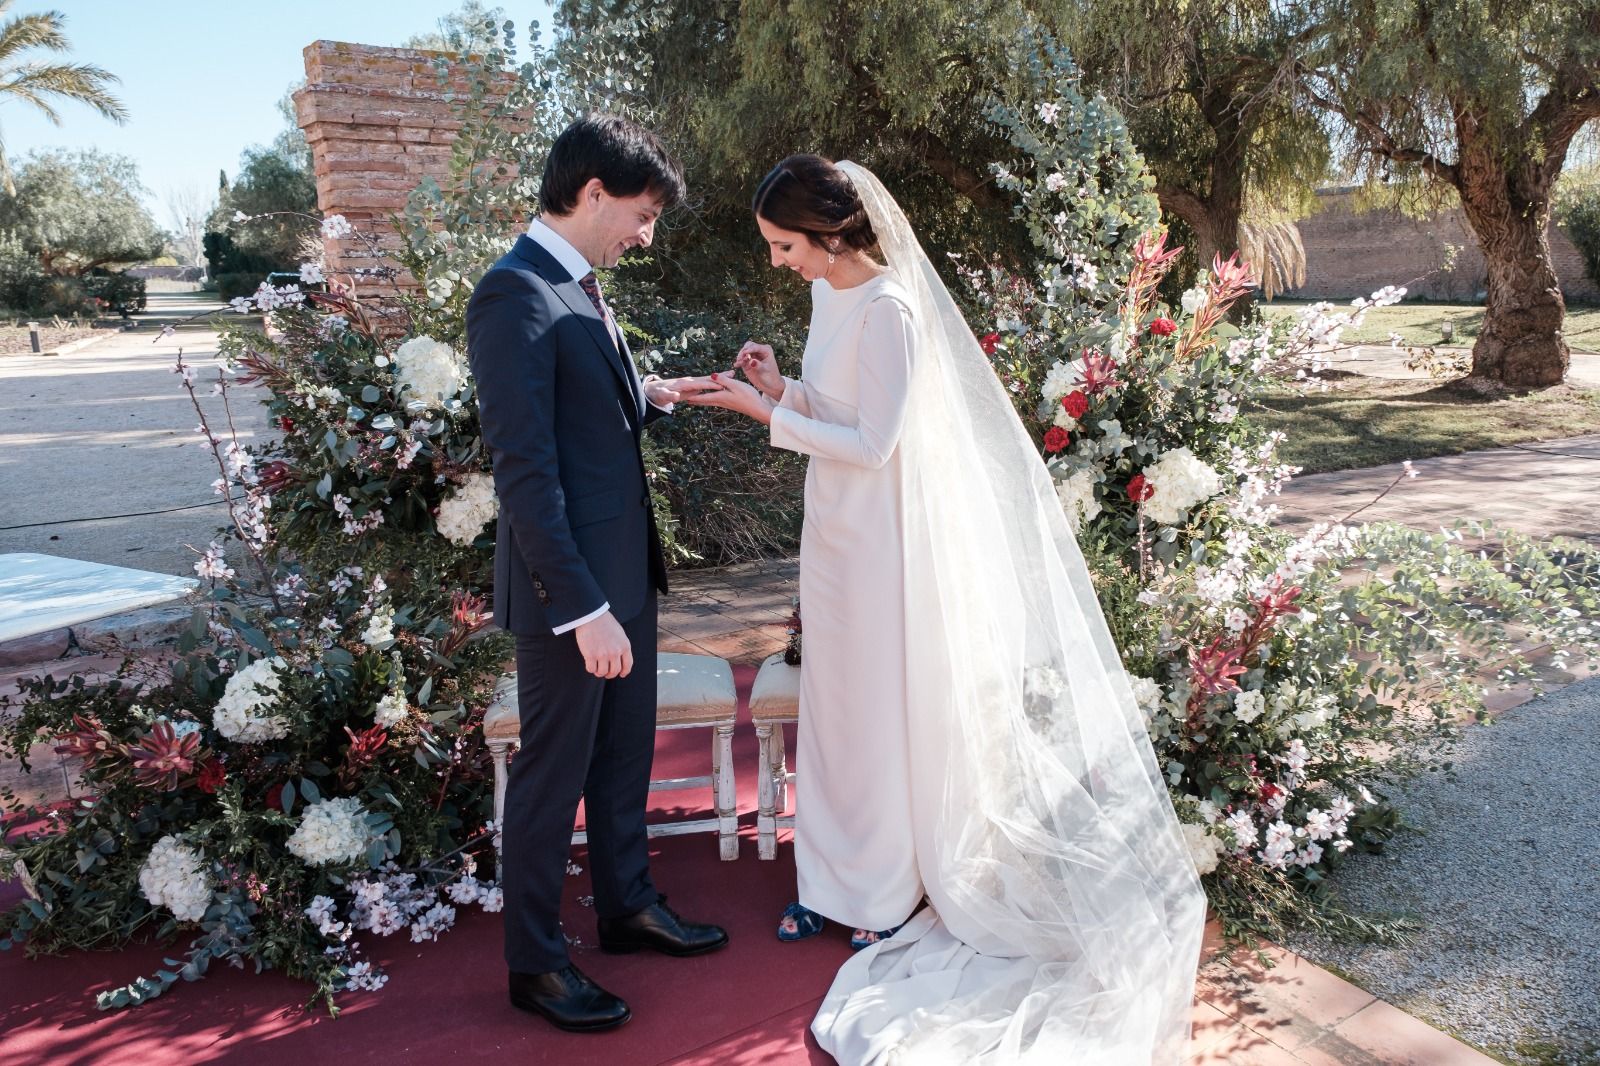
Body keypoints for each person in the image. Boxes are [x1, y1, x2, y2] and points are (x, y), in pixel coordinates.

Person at [685, 155, 1206, 1064]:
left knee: (875, 713)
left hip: (882, 538)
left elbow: (878, 444)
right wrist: (778, 389)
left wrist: (759, 417)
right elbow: (839, 411)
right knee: (837, 711)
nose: (778, 262)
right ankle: (834, 880)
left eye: (784, 245)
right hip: (835, 532)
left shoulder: (889, 308)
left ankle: (880, 895)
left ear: (833, 234)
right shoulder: (828, 298)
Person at [465, 114, 728, 1035]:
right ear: (590, 194)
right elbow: (525, 473)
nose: (645, 235)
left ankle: (627, 908)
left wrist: (649, 395)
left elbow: (584, 425)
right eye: (642, 214)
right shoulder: (514, 294)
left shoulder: (575, 285)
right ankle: (534, 964)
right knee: (553, 771)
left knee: (623, 755)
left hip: (623, 573)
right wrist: (583, 611)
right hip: (570, 592)